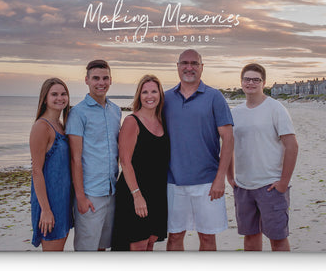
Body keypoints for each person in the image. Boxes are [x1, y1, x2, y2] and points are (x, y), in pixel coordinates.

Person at [164, 49, 234, 251]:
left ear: (202, 67)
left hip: (208, 183)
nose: (189, 67)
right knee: (175, 237)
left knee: (207, 238)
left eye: (194, 63)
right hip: (173, 182)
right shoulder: (166, 98)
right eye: (184, 63)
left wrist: (220, 178)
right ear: (177, 67)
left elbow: (228, 139)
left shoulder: (214, 97)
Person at [228, 63, 298, 251]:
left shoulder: (276, 108)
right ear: (241, 82)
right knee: (250, 239)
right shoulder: (235, 113)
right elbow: (229, 146)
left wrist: (283, 182)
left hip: (270, 187)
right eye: (247, 79)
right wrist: (230, 176)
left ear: (263, 82)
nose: (251, 83)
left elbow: (292, 146)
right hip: (243, 187)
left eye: (255, 79)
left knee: (278, 239)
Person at [66, 60, 121, 251]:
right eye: (96, 78)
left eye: (105, 78)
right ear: (87, 80)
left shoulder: (115, 111)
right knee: (86, 249)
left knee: (102, 247)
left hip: (112, 191)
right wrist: (80, 196)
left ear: (111, 80)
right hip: (90, 194)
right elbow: (75, 158)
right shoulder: (78, 113)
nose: (101, 82)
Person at [111, 75, 170, 251]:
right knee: (138, 245)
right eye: (145, 92)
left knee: (150, 241)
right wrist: (137, 196)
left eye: (153, 91)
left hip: (157, 193)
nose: (149, 96)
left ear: (160, 94)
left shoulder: (162, 121)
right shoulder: (131, 121)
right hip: (134, 193)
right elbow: (125, 162)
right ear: (139, 95)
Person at [30, 78, 73, 251]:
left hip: (64, 198)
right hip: (49, 201)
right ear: (45, 98)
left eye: (63, 94)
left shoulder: (61, 125)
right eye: (54, 94)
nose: (60, 98)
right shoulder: (42, 126)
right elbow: (36, 171)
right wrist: (46, 210)